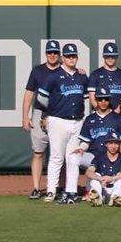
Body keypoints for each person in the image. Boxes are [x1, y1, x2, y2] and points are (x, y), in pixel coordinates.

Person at [37, 42, 89, 204]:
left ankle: (70, 190)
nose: (71, 58)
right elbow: (41, 98)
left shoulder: (81, 76)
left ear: (77, 57)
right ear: (62, 58)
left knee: (72, 158)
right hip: (58, 120)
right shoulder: (53, 76)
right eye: (68, 56)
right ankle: (52, 190)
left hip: (77, 120)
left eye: (73, 56)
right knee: (57, 157)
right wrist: (51, 112)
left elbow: (86, 98)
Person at [68, 87, 121, 200]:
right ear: (96, 100)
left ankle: (102, 192)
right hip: (93, 157)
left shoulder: (118, 118)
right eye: (100, 99)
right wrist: (81, 148)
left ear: (109, 100)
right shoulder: (90, 119)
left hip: (112, 157)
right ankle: (71, 193)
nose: (103, 102)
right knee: (73, 157)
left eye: (106, 99)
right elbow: (86, 141)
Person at [21, 39, 62, 199]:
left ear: (59, 55)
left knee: (60, 155)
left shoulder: (65, 70)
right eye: (49, 52)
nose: (52, 55)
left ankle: (59, 188)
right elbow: (29, 93)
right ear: (46, 54)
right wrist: (25, 116)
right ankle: (37, 188)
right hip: (40, 113)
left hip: (60, 114)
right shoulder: (38, 71)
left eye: (55, 52)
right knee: (38, 153)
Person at [87, 136, 121, 207]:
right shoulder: (99, 157)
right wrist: (100, 178)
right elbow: (89, 172)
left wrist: (112, 178)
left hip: (117, 189)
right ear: (106, 144)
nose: (113, 146)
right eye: (111, 143)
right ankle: (97, 199)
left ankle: (116, 198)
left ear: (119, 144)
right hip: (103, 188)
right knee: (95, 176)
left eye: (116, 143)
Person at [87, 42, 121, 110]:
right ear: (103, 56)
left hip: (119, 114)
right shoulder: (95, 74)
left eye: (113, 56)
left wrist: (118, 110)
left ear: (117, 56)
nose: (110, 58)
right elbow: (92, 98)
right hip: (101, 115)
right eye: (107, 56)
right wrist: (102, 113)